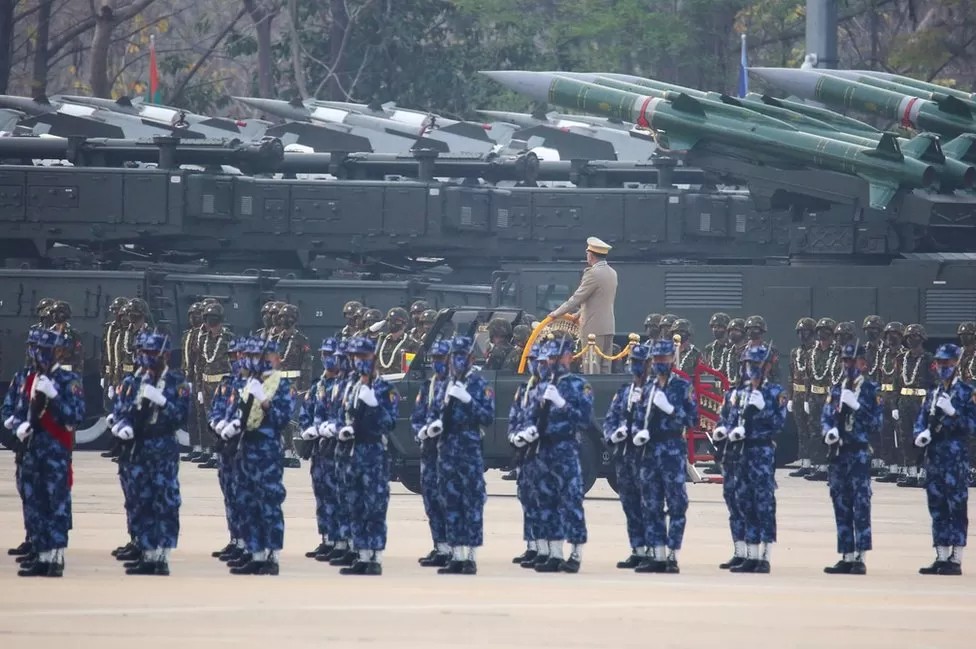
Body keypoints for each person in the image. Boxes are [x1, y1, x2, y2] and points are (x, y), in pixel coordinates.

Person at [113, 333, 189, 576]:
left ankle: (162, 556)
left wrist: (164, 402)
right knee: (140, 499)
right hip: (138, 446)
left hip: (162, 447)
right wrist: (121, 424)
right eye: (143, 353)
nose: (146, 358)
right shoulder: (134, 381)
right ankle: (146, 553)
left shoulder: (177, 383)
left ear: (165, 355)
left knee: (164, 500)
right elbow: (122, 408)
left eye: (151, 354)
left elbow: (180, 417)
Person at [515, 337, 593, 573]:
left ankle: (576, 553)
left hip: (566, 449)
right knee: (546, 502)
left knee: (571, 501)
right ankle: (555, 553)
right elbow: (527, 415)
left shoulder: (579, 385)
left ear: (569, 357)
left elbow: (585, 419)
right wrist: (526, 430)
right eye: (549, 358)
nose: (552, 362)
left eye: (557, 357)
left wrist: (562, 404)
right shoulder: (540, 387)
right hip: (542, 450)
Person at [220, 337, 295, 575]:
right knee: (247, 502)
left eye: (264, 357)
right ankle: (255, 553)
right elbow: (233, 412)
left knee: (269, 502)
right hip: (246, 448)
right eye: (252, 357)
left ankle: (271, 555)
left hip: (267, 449)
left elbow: (282, 420)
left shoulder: (281, 386)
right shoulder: (245, 384)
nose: (257, 362)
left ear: (276, 359)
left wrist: (264, 401)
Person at [12, 330, 84, 578]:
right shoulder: (28, 379)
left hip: (54, 451)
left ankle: (56, 557)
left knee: (56, 504)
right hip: (32, 450)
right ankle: (41, 555)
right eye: (37, 348)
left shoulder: (68, 381)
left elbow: (74, 416)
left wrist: (55, 397)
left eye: (46, 349)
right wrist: (16, 423)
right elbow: (19, 409)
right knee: (35, 503)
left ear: (59, 352)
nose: (40, 354)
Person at [427, 336, 494, 575]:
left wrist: (467, 400)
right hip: (446, 450)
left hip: (468, 449)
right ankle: (456, 554)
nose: (456, 361)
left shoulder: (478, 384)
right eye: (453, 356)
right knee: (450, 501)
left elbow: (487, 417)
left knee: (471, 502)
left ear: (471, 358)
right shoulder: (444, 384)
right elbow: (434, 412)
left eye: (461, 356)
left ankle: (471, 557)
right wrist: (432, 424)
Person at [632, 338, 698, 574]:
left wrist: (670, 408)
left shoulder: (681, 386)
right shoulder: (648, 388)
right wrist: (637, 432)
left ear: (672, 359)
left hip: (671, 449)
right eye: (656, 359)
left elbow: (693, 420)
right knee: (651, 503)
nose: (660, 362)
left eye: (664, 358)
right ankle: (657, 554)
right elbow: (639, 417)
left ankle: (672, 555)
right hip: (650, 451)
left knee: (676, 503)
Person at [336, 337, 399, 575]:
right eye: (354, 357)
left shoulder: (384, 389)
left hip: (373, 453)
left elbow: (389, 423)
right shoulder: (350, 386)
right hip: (351, 452)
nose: (357, 361)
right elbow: (343, 415)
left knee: (374, 505)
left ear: (372, 357)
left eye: (362, 356)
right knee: (355, 504)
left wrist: (373, 405)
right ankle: (361, 553)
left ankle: (375, 556)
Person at [914, 343, 976, 575]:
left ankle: (956, 559)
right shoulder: (933, 393)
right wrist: (920, 434)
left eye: (947, 363)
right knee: (937, 507)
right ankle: (941, 555)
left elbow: (972, 426)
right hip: (935, 458)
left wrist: (953, 413)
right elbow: (921, 420)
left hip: (955, 459)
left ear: (956, 364)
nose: (942, 367)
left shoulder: (967, 393)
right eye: (940, 362)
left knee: (956, 507)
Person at [721, 344, 783, 574]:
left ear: (766, 366)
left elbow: (778, 424)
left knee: (763, 504)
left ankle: (764, 556)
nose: (751, 369)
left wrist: (764, 408)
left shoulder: (774, 393)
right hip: (739, 453)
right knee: (743, 501)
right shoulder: (740, 392)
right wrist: (725, 430)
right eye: (748, 364)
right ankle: (750, 553)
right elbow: (729, 417)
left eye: (756, 364)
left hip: (761, 452)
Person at [821, 344, 882, 575]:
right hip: (838, 453)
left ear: (863, 364)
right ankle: (846, 554)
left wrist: (858, 407)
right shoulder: (837, 389)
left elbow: (877, 424)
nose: (847, 365)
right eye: (845, 361)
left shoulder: (870, 390)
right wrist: (828, 431)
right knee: (841, 503)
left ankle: (860, 556)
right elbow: (826, 416)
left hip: (858, 452)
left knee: (860, 503)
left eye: (852, 361)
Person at [603, 343, 651, 568]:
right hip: (625, 455)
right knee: (630, 504)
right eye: (633, 362)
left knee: (649, 504)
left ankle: (654, 550)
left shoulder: (655, 392)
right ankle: (638, 549)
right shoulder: (624, 391)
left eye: (640, 363)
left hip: (647, 456)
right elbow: (611, 418)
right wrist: (613, 434)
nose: (636, 367)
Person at [299, 338, 343, 560]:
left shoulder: (343, 386)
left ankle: (341, 541)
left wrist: (330, 429)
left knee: (338, 496)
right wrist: (308, 430)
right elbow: (306, 411)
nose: (327, 359)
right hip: (319, 449)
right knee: (322, 494)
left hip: (336, 448)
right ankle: (326, 538)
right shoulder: (318, 386)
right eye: (324, 354)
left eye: (331, 354)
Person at [548, 236, 618, 374]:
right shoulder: (612, 273)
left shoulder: (593, 274)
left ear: (591, 255)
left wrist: (556, 313)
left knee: (592, 367)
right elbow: (598, 299)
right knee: (605, 367)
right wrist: (578, 314)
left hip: (593, 328)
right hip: (608, 326)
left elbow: (576, 298)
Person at [411, 340, 452, 568]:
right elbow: (417, 416)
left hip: (449, 451)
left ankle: (455, 549)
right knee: (431, 500)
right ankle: (440, 546)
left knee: (449, 500)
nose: (437, 363)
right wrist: (421, 432)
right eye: (435, 358)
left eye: (442, 359)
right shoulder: (428, 386)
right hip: (429, 451)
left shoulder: (458, 386)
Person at [3, 330, 41, 561]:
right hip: (25, 447)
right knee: (27, 494)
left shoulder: (60, 380)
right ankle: (31, 538)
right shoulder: (21, 377)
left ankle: (46, 549)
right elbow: (9, 407)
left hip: (48, 449)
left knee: (46, 498)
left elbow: (71, 415)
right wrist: (14, 423)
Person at [508, 344, 545, 567]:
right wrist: (515, 436)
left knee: (543, 500)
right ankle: (531, 545)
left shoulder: (550, 389)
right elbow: (514, 416)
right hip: (526, 452)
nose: (534, 364)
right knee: (526, 498)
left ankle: (545, 547)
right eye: (531, 359)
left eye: (538, 360)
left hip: (544, 452)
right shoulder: (524, 389)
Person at [193, 302, 234, 468]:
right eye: (208, 318)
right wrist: (199, 388)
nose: (211, 322)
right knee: (210, 420)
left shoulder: (228, 338)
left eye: (214, 319)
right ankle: (214, 453)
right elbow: (200, 364)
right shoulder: (202, 339)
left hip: (222, 384)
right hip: (206, 383)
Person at [896, 324, 934, 488]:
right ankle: (910, 472)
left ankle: (924, 473)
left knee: (923, 438)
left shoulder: (929, 359)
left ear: (922, 338)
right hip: (904, 401)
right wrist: (895, 405)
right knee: (905, 438)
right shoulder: (901, 359)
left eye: (915, 337)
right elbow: (897, 382)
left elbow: (935, 382)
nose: (912, 340)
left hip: (922, 402)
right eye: (909, 337)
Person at [799, 317, 837, 481]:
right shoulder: (810, 354)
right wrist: (807, 398)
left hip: (830, 397)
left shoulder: (837, 354)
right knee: (815, 432)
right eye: (820, 332)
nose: (822, 335)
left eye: (826, 332)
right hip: (814, 397)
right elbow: (807, 377)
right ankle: (819, 466)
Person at [876, 322, 905, 483]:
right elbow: (880, 377)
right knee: (885, 434)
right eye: (887, 335)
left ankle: (903, 467)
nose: (889, 338)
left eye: (892, 334)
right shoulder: (884, 355)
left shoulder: (905, 356)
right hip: (884, 397)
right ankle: (890, 467)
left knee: (901, 435)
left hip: (898, 397)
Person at [788, 318, 816, 477]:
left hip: (812, 395)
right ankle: (805, 462)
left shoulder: (815, 352)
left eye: (805, 331)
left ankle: (817, 462)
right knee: (802, 430)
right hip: (798, 395)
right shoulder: (795, 352)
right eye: (799, 332)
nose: (802, 334)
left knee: (814, 430)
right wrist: (791, 397)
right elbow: (792, 376)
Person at [376, 307, 415, 375]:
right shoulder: (380, 341)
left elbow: (406, 371)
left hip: (399, 382)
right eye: (389, 320)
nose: (391, 323)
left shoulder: (410, 344)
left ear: (404, 323)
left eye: (395, 321)